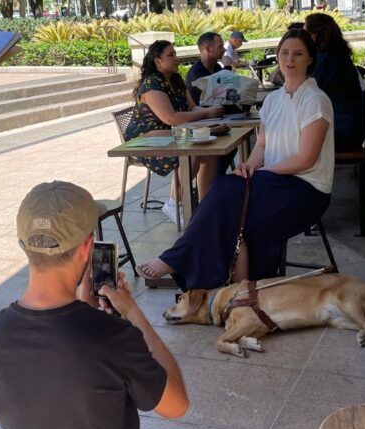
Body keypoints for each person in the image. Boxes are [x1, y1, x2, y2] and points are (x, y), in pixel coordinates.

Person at [0, 181, 236, 429]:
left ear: (23, 245)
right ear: (87, 248)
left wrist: (83, 307)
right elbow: (176, 404)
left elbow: (55, 369)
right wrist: (133, 312)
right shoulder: (109, 334)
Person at [138, 30, 334, 291]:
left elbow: (306, 159)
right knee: (231, 213)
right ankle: (239, 287)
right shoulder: (274, 100)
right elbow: (262, 144)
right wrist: (252, 164)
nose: (290, 59)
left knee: (225, 189)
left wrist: (265, 170)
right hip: (274, 181)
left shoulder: (315, 100)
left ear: (309, 59)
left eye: (298, 53)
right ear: (278, 55)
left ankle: (176, 259)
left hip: (306, 188)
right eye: (284, 52)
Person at [124, 40, 223, 223]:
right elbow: (171, 118)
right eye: (170, 55)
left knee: (209, 152)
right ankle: (174, 202)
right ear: (157, 61)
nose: (176, 58)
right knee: (193, 150)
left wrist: (214, 113)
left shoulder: (176, 80)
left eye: (175, 54)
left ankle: (205, 206)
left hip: (174, 133)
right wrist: (207, 114)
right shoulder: (152, 84)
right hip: (146, 138)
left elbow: (192, 108)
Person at [304, 12, 365, 152]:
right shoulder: (335, 56)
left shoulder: (328, 60)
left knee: (292, 140)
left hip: (343, 133)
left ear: (315, 35)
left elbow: (311, 92)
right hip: (349, 129)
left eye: (305, 33)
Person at [186, 32, 226, 106]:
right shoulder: (196, 75)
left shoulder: (217, 68)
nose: (224, 49)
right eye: (220, 46)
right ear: (208, 49)